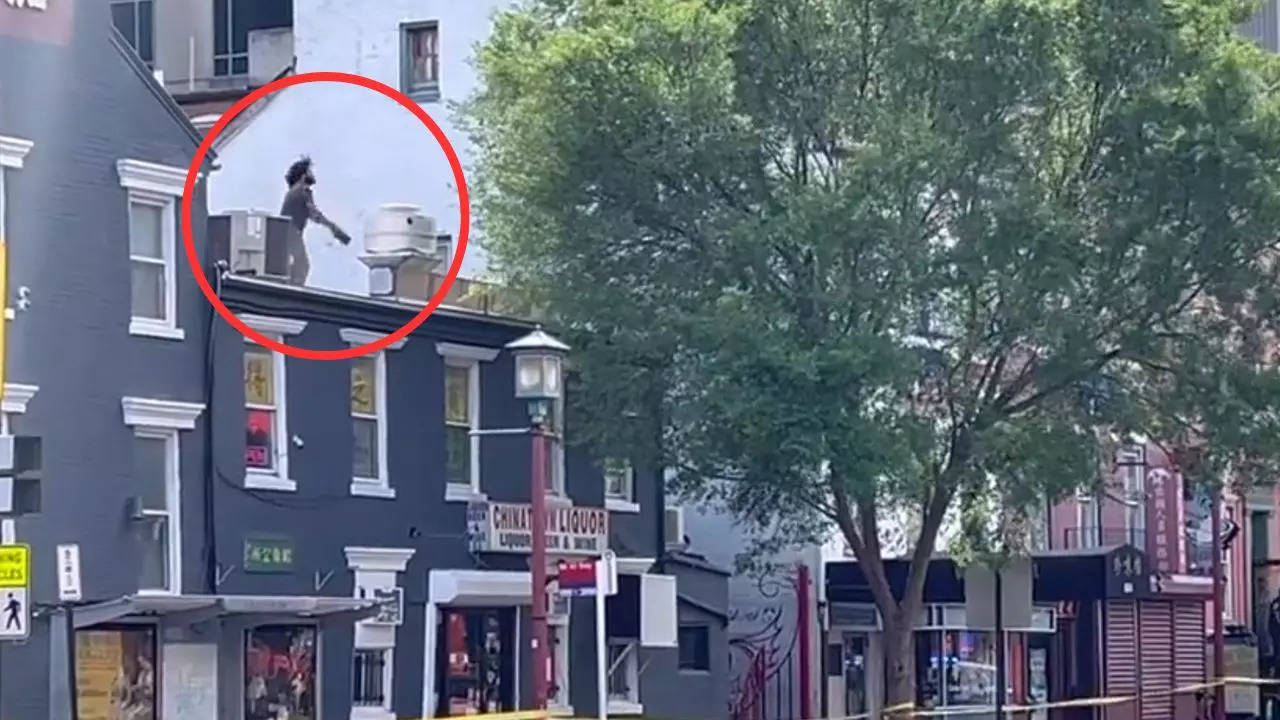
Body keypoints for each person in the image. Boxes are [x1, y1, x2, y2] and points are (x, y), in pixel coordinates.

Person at [280, 156, 351, 285]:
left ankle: (289, 285)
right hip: (291, 231)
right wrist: (333, 228)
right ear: (303, 176)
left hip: (285, 231)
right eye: (310, 171)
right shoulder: (302, 190)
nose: (312, 174)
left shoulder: (294, 191)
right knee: (302, 265)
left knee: (293, 265)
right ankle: (293, 290)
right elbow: (314, 214)